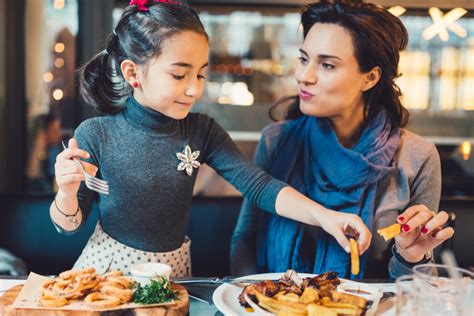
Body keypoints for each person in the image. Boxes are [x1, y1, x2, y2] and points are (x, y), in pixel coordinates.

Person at [49, 0, 371, 277]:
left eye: (201, 73)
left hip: (172, 276)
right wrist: (66, 192)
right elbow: (68, 227)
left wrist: (327, 217)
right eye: (179, 74)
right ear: (133, 73)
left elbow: (259, 186)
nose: (194, 89)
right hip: (109, 274)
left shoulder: (201, 131)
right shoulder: (96, 134)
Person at [230, 0, 455, 280]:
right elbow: (244, 239)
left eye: (326, 64)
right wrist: (250, 301)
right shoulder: (276, 140)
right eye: (303, 59)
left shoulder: (417, 156)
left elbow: (411, 285)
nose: (303, 76)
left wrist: (410, 256)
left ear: (370, 77)